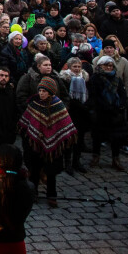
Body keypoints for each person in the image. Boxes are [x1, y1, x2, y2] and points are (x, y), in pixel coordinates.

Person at [17, 76, 78, 208]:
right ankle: (33, 193)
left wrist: (57, 138)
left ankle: (52, 195)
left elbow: (65, 124)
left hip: (54, 147)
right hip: (36, 145)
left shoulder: (58, 105)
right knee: (34, 170)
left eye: (44, 91)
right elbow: (26, 122)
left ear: (50, 92)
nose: (41, 93)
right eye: (40, 91)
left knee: (51, 173)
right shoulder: (34, 103)